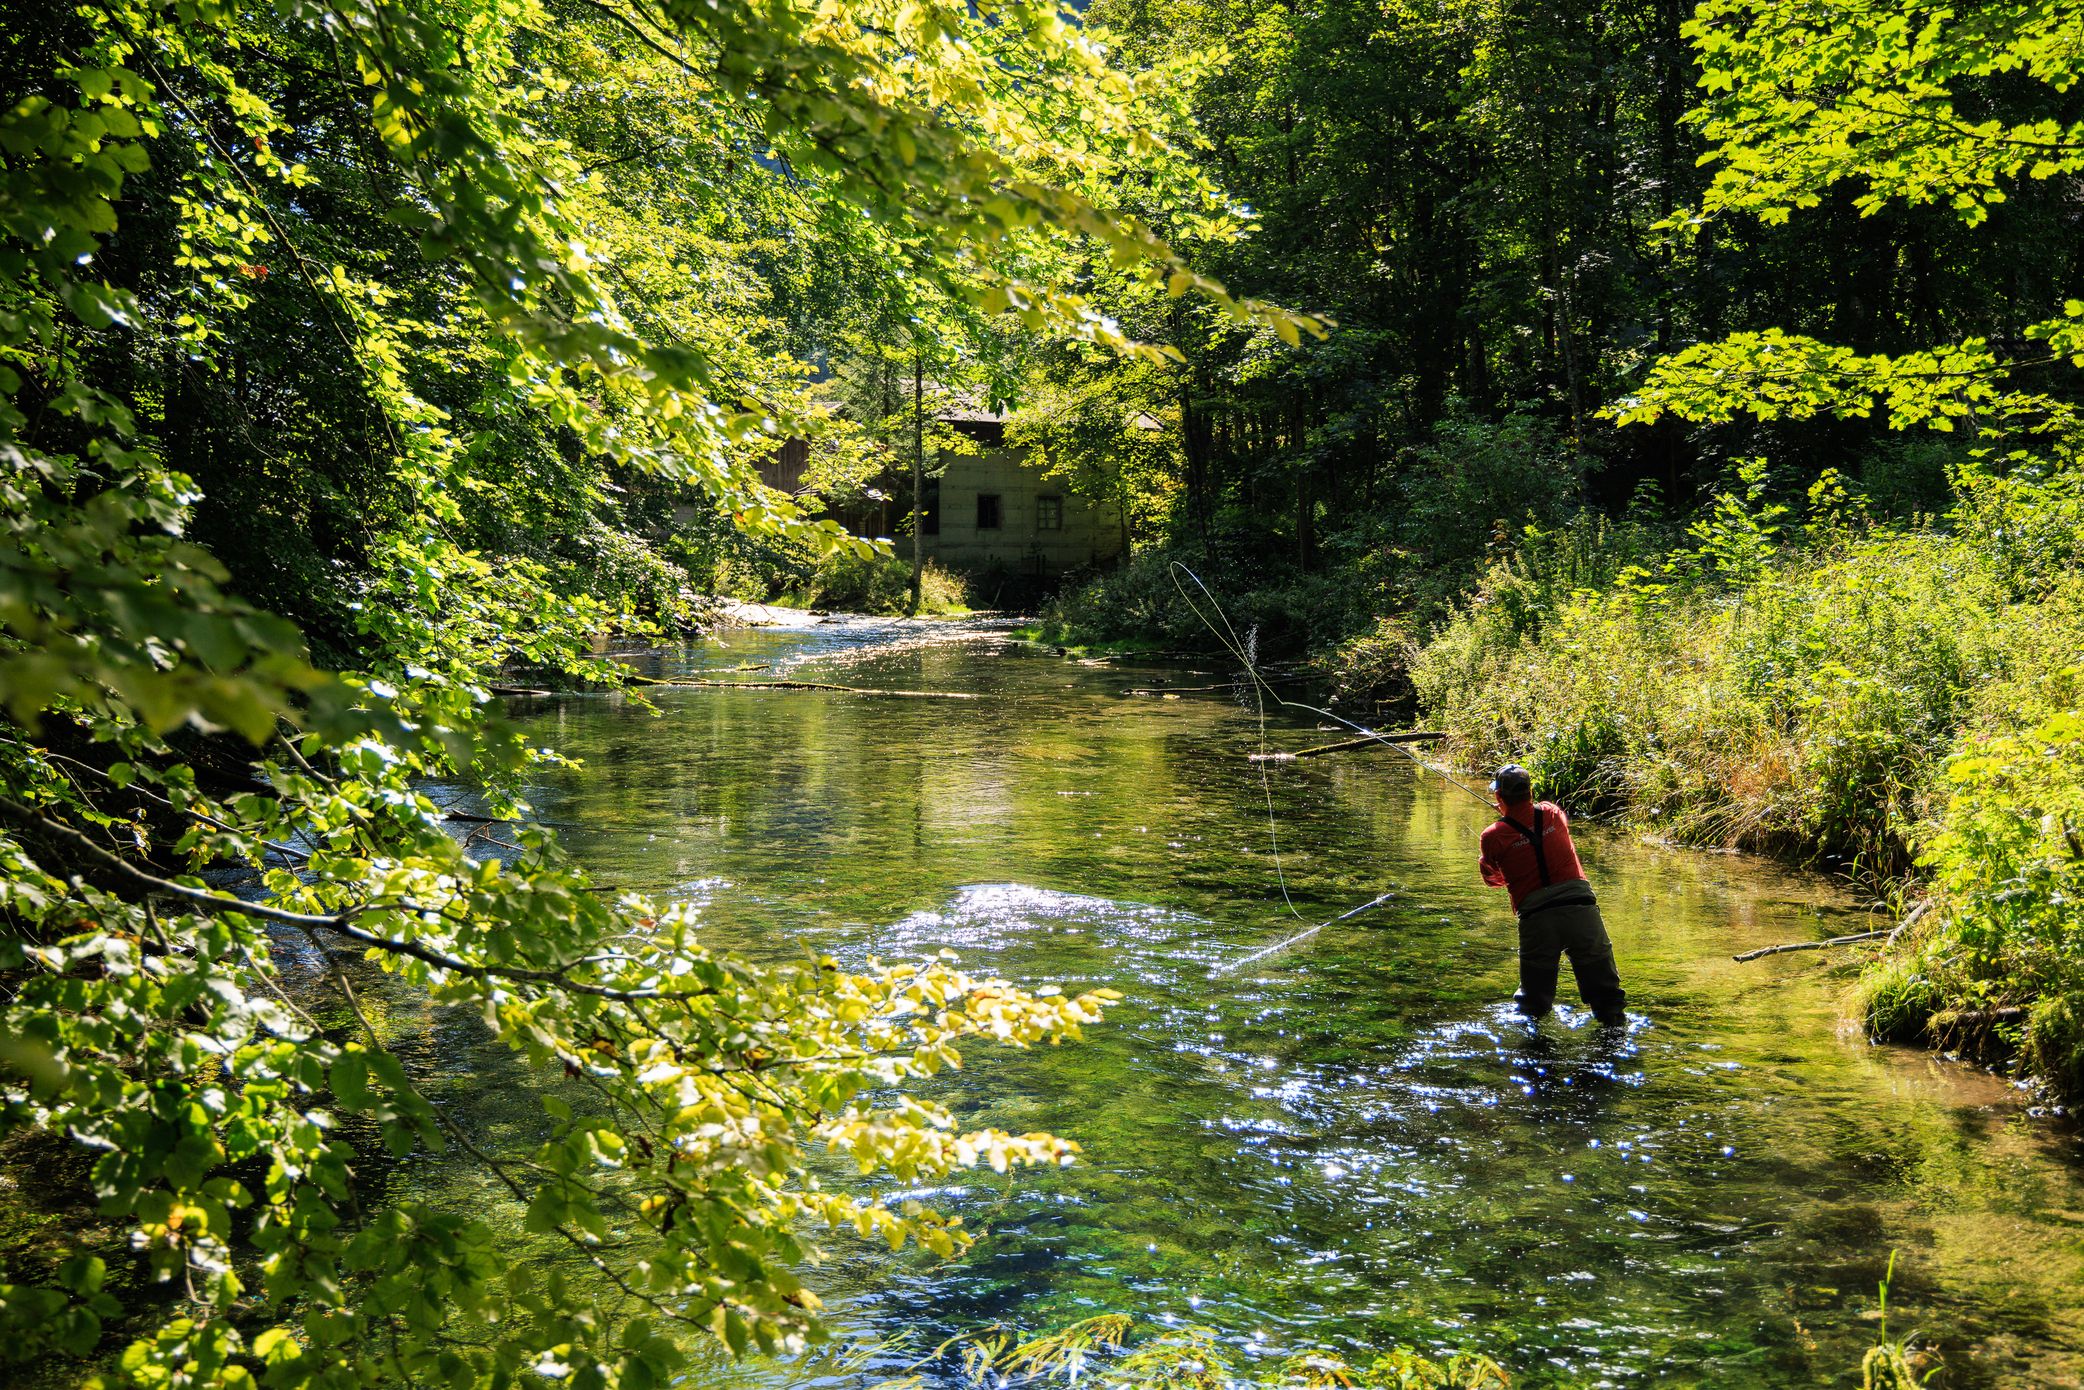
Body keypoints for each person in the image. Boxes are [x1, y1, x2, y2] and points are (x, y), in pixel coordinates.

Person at [1478, 764, 1628, 1027]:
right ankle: (1614, 1045)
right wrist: (1512, 818)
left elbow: (1494, 881)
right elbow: (1540, 827)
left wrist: (1504, 824)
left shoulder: (1493, 836)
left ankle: (1536, 1059)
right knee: (1608, 1000)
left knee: (1533, 1007)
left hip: (1537, 919)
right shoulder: (1553, 813)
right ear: (1531, 792)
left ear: (1499, 797)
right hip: (1582, 910)